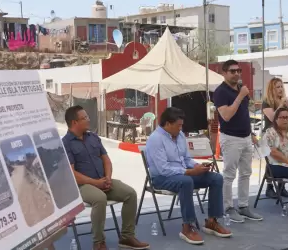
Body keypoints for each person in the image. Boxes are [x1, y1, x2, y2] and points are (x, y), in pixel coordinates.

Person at [62, 106, 149, 250]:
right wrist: (96, 183)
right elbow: (72, 174)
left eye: (87, 117)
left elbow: (106, 160)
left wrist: (107, 178)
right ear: (74, 122)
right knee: (100, 198)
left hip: (102, 180)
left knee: (130, 193)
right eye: (84, 118)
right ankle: (99, 243)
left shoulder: (93, 137)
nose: (88, 120)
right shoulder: (65, 143)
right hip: (82, 186)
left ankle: (127, 237)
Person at [146, 107, 232, 245]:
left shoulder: (179, 136)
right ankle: (187, 226)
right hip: (162, 178)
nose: (181, 128)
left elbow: (185, 159)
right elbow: (163, 169)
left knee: (216, 178)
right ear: (168, 124)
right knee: (186, 182)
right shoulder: (156, 139)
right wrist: (189, 172)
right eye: (178, 125)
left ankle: (212, 221)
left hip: (182, 174)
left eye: (182, 125)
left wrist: (196, 166)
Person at [213, 59, 263, 223]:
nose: (237, 74)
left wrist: (251, 134)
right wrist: (240, 96)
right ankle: (228, 208)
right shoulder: (221, 92)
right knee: (229, 174)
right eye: (233, 71)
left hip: (245, 137)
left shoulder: (241, 90)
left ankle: (243, 206)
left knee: (246, 173)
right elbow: (226, 116)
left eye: (238, 71)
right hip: (231, 138)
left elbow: (244, 114)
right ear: (224, 73)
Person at [262, 77, 288, 199]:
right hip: (270, 134)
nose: (280, 89)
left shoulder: (284, 101)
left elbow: (287, 120)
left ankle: (281, 187)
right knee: (271, 158)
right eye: (278, 87)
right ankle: (269, 187)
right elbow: (273, 118)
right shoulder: (267, 102)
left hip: (283, 135)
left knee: (284, 158)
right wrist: (281, 106)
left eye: (281, 86)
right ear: (272, 89)